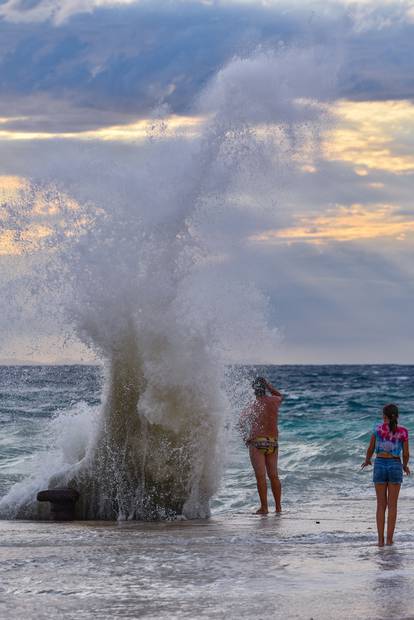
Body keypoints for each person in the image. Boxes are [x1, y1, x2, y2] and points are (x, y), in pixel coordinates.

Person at [362, 403, 410, 546]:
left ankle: (380, 541)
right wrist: (405, 465)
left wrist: (367, 460)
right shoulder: (403, 431)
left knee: (380, 505)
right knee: (392, 506)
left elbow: (370, 448)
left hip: (380, 464)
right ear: (397, 416)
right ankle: (389, 540)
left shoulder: (377, 429)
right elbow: (406, 453)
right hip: (395, 465)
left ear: (384, 416)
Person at [239, 376, 283, 514]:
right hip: (272, 442)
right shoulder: (274, 401)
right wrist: (269, 385)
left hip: (257, 442)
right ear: (265, 389)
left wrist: (245, 438)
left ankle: (264, 508)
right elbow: (279, 395)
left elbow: (240, 423)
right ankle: (278, 507)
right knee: (274, 476)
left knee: (261, 477)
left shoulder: (253, 405)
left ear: (254, 390)